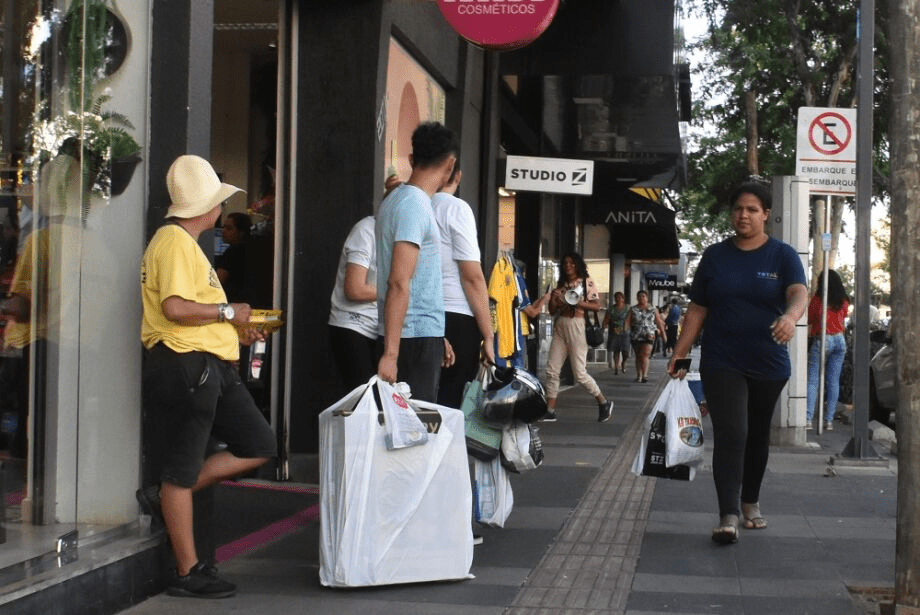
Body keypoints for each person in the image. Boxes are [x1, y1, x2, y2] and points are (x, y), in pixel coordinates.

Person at [137, 155, 277, 598]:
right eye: (218, 199)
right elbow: (174, 308)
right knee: (182, 470)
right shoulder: (176, 242)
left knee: (258, 445)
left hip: (205, 365)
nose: (221, 209)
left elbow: (185, 308)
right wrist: (227, 313)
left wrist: (232, 324)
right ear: (207, 206)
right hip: (188, 364)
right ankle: (187, 570)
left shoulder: (180, 242)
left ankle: (166, 499)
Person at [667, 181, 807, 545]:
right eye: (738, 209)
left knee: (757, 435)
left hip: (768, 362)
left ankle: (750, 501)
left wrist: (791, 317)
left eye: (751, 209)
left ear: (765, 214)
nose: (743, 215)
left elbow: (799, 292)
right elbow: (698, 308)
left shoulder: (782, 255)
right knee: (733, 433)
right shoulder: (715, 256)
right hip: (721, 359)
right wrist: (680, 351)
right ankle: (727, 513)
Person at [375, 122, 457, 402]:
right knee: (414, 435)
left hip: (417, 335)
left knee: (412, 433)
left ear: (411, 159)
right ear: (450, 164)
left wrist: (437, 335)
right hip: (411, 340)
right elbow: (398, 282)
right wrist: (391, 354)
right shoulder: (414, 205)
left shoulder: (399, 200)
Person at [432, 165, 496, 408]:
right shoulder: (456, 209)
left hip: (418, 315)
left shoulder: (412, 205)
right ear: (457, 175)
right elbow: (472, 278)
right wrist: (488, 335)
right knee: (453, 402)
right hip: (457, 316)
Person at [543, 252, 614, 423]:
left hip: (578, 325)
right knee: (552, 370)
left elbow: (597, 306)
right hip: (561, 325)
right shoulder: (561, 285)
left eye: (572, 263)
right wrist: (554, 299)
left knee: (579, 373)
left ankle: (603, 402)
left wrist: (575, 301)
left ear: (578, 265)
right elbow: (552, 312)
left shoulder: (585, 282)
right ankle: (550, 410)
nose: (568, 265)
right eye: (565, 263)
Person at [328, 215, 378, 393]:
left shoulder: (405, 233)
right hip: (353, 324)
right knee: (364, 398)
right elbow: (355, 289)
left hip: (383, 328)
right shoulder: (366, 230)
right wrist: (396, 291)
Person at [805, 269, 849, 431]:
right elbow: (843, 317)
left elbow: (809, 318)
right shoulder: (843, 300)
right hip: (840, 340)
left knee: (813, 380)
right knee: (833, 381)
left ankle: (808, 419)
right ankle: (829, 421)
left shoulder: (818, 300)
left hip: (823, 339)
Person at [625, 289, 666, 383]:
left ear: (647, 298)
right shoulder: (633, 309)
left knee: (645, 355)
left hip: (649, 334)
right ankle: (639, 375)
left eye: (643, 296)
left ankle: (645, 375)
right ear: (637, 298)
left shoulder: (653, 309)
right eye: (639, 296)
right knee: (638, 355)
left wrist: (663, 333)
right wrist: (625, 330)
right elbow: (627, 321)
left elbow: (659, 322)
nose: (641, 298)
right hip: (636, 335)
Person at [214, 211, 252, 304]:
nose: (223, 232)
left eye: (229, 228)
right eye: (224, 227)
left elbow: (216, 282)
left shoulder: (233, 252)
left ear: (241, 232)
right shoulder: (251, 249)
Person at [602, 291, 630, 374]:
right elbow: (606, 319)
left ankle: (624, 362)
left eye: (620, 297)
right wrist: (604, 326)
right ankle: (616, 367)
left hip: (625, 331)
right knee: (616, 350)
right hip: (614, 331)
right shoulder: (611, 309)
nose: (618, 299)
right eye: (616, 298)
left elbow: (631, 319)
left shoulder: (628, 308)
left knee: (625, 351)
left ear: (623, 299)